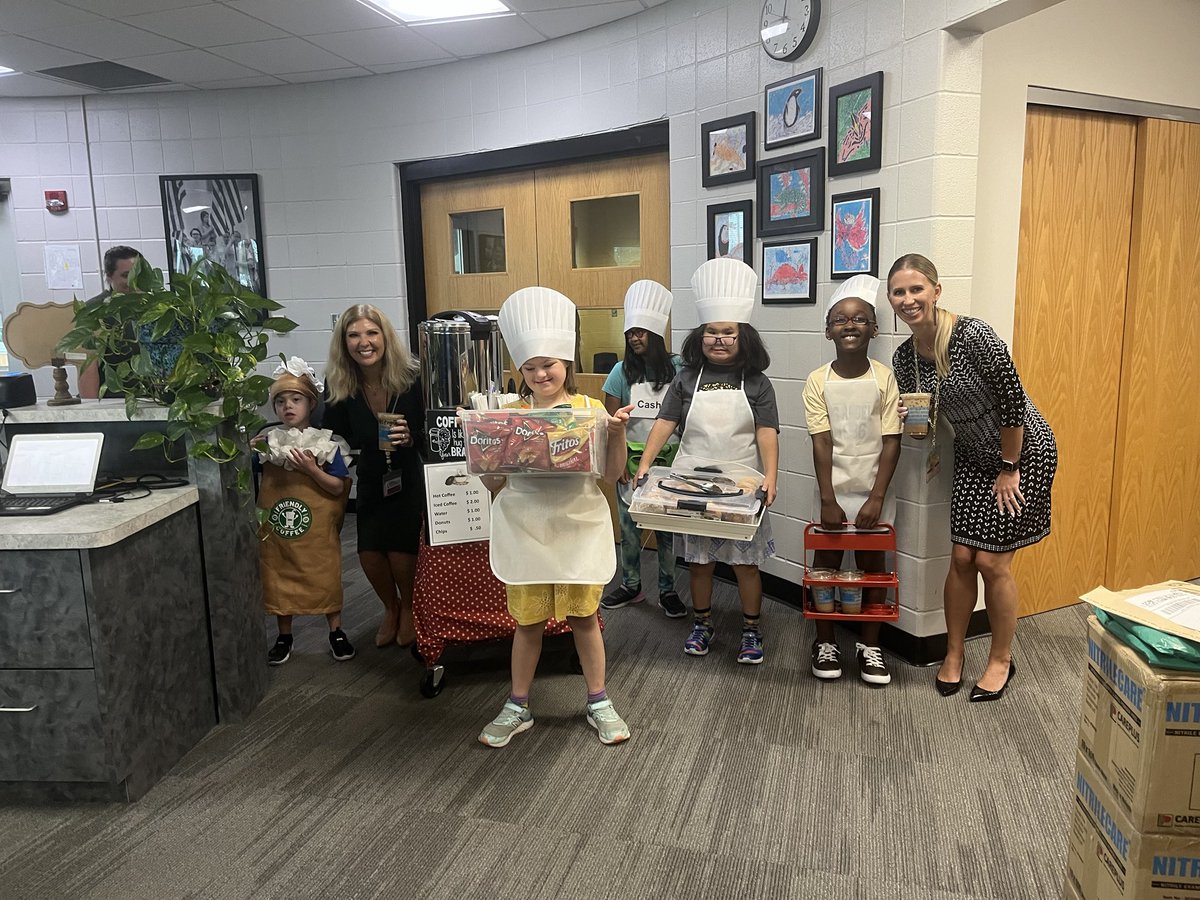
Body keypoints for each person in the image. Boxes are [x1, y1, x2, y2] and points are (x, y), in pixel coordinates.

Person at [888, 253, 1057, 701]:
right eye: (899, 292)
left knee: (991, 562)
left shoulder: (973, 335)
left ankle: (1001, 660)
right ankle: (954, 654)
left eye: (916, 289)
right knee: (961, 558)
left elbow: (1014, 404)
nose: (908, 299)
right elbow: (923, 422)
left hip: (1020, 452)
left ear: (936, 291)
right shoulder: (906, 356)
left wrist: (1008, 467)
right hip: (971, 456)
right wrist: (910, 418)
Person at [478, 286, 634, 748]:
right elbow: (493, 484)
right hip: (525, 526)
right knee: (526, 624)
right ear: (520, 371)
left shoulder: (589, 412)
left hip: (577, 524)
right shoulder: (507, 415)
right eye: (529, 367)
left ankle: (599, 700)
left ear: (566, 361)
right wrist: (487, 454)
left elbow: (612, 473)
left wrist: (619, 433)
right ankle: (518, 705)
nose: (540, 373)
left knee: (585, 617)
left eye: (548, 363)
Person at [634, 258, 780, 665]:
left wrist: (771, 476)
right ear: (701, 336)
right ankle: (702, 622)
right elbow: (666, 421)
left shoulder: (757, 382)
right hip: (689, 483)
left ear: (742, 336)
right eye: (712, 332)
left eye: (728, 332)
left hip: (743, 487)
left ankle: (751, 630)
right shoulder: (685, 378)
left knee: (746, 567)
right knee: (699, 564)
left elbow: (767, 432)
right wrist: (646, 463)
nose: (719, 339)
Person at [802, 275, 901, 686]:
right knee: (825, 563)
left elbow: (892, 441)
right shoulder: (817, 380)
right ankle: (825, 642)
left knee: (872, 566)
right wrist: (828, 498)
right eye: (841, 319)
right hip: (831, 489)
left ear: (874, 329)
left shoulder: (885, 378)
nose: (850, 325)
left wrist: (876, 497)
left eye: (860, 318)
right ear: (828, 329)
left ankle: (869, 645)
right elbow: (821, 442)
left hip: (875, 488)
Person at [322, 304, 425, 650]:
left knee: (399, 551)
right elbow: (334, 434)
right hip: (370, 474)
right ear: (344, 342)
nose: (363, 342)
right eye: (353, 335)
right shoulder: (339, 382)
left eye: (371, 333)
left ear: (385, 337)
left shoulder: (412, 376)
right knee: (368, 553)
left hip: (408, 472)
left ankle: (410, 608)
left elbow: (433, 428)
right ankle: (390, 608)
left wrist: (412, 437)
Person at [255, 357, 354, 665]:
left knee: (324, 575)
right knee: (278, 575)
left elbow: (338, 487)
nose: (288, 406)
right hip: (280, 532)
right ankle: (284, 635)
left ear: (311, 404)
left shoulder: (327, 444)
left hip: (316, 532)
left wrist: (312, 469)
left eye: (296, 399)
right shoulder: (267, 443)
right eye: (281, 401)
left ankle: (335, 630)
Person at [600, 280, 686, 617]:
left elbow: (688, 414)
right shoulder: (621, 372)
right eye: (630, 333)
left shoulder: (678, 368)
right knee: (630, 528)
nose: (635, 338)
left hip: (670, 459)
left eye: (642, 331)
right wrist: (616, 460)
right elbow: (610, 421)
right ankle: (631, 584)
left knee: (667, 530)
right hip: (630, 460)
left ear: (656, 334)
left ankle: (667, 589)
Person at [78, 245, 142, 400]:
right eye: (126, 275)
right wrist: (94, 414)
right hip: (114, 401)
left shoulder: (154, 306)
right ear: (109, 276)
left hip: (153, 399)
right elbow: (88, 366)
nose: (133, 281)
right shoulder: (94, 310)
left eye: (138, 274)